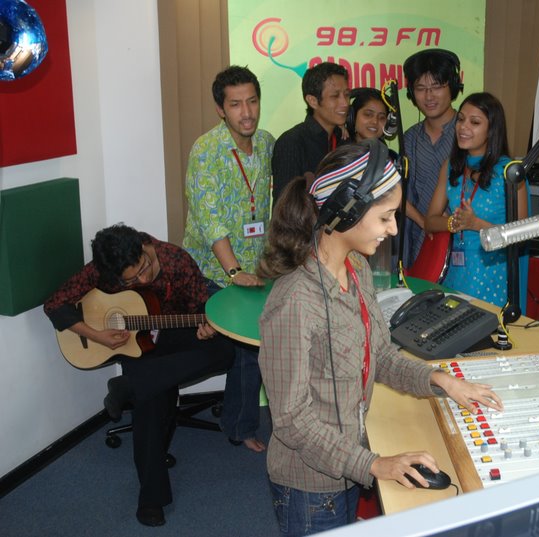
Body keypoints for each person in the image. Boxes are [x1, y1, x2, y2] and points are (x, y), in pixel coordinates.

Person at [257, 141, 503, 535]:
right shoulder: (294, 301)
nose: (393, 229)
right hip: (310, 488)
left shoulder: (356, 267)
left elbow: (381, 355)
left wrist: (441, 380)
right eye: (386, 217)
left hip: (348, 464)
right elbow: (292, 421)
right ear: (346, 211)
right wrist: (374, 464)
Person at [44, 224, 234, 527]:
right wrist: (97, 335)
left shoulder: (175, 260)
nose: (142, 280)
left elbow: (201, 307)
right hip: (137, 346)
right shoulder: (105, 268)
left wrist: (207, 326)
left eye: (143, 269)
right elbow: (55, 304)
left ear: (144, 248)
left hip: (174, 336)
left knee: (225, 350)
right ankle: (151, 499)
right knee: (151, 400)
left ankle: (130, 384)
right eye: (130, 280)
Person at [183, 65, 274, 453]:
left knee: (252, 350)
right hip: (215, 269)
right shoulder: (206, 151)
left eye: (252, 101)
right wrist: (233, 271)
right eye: (236, 104)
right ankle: (242, 426)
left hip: (257, 268)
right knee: (247, 351)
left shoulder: (267, 143)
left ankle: (239, 422)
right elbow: (210, 221)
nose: (247, 112)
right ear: (221, 109)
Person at [424, 92, 527, 308]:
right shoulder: (451, 166)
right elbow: (430, 221)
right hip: (456, 271)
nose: (463, 127)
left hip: (493, 274)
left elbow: (521, 234)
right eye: (461, 119)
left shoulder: (509, 172)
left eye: (475, 122)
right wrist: (454, 222)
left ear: (492, 129)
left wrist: (476, 224)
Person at [402, 48, 464, 267]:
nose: (428, 96)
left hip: (462, 242)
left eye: (437, 87)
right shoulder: (410, 138)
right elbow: (397, 194)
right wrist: (424, 222)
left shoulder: (468, 134)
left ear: (453, 86)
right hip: (418, 245)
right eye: (421, 88)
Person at [272, 62, 350, 201]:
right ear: (312, 101)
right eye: (335, 96)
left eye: (347, 95)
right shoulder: (292, 142)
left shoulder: (344, 140)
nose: (345, 103)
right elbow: (285, 207)